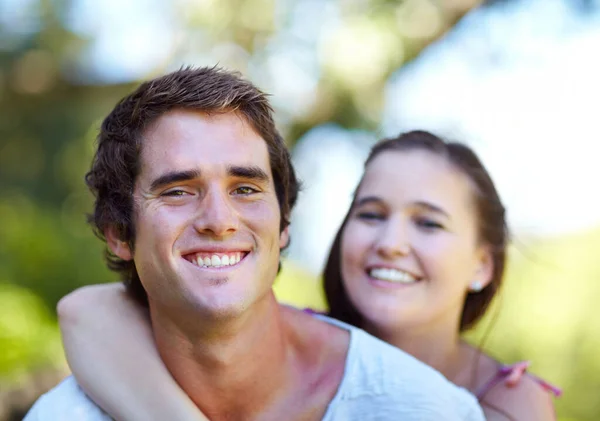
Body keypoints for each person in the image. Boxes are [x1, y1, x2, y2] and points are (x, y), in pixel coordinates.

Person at [23, 67, 485, 421]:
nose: (220, 221)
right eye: (178, 191)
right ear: (119, 234)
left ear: (283, 224)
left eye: (245, 188)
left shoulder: (426, 409)